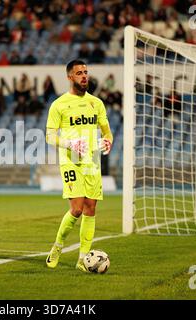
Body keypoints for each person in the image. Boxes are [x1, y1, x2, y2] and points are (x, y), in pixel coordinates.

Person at [44, 60, 113, 273]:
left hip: (92, 161)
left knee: (90, 208)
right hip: (71, 160)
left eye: (85, 72)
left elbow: (107, 131)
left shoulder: (97, 103)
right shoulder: (59, 104)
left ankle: (83, 259)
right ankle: (57, 246)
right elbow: (49, 136)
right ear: (70, 77)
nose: (84, 76)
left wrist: (108, 140)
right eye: (79, 73)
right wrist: (69, 143)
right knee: (76, 209)